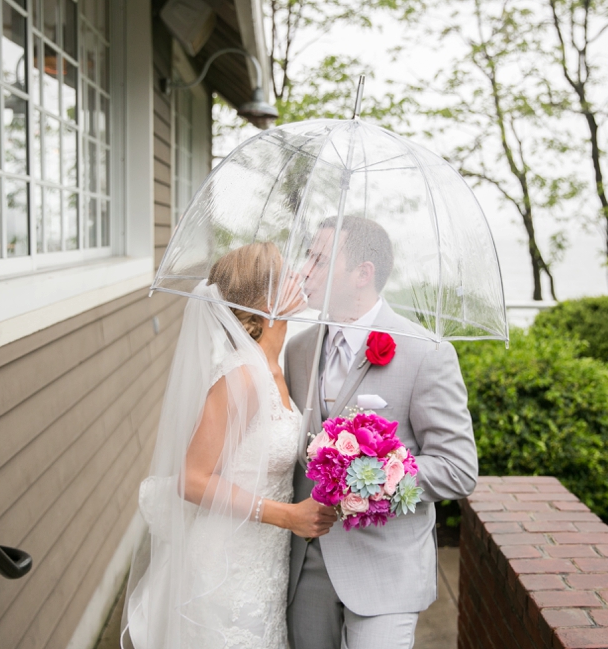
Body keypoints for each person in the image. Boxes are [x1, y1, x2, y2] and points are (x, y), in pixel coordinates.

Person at [121, 242, 336, 649]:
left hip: (262, 565)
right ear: (266, 300)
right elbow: (192, 480)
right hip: (225, 568)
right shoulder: (243, 376)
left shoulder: (278, 366)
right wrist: (287, 516)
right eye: (287, 272)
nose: (301, 276)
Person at [285, 217, 478, 649]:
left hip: (386, 568)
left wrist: (367, 476)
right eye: (307, 256)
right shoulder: (298, 350)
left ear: (363, 273)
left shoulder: (425, 353)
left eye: (319, 259)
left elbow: (458, 469)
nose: (304, 270)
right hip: (307, 567)